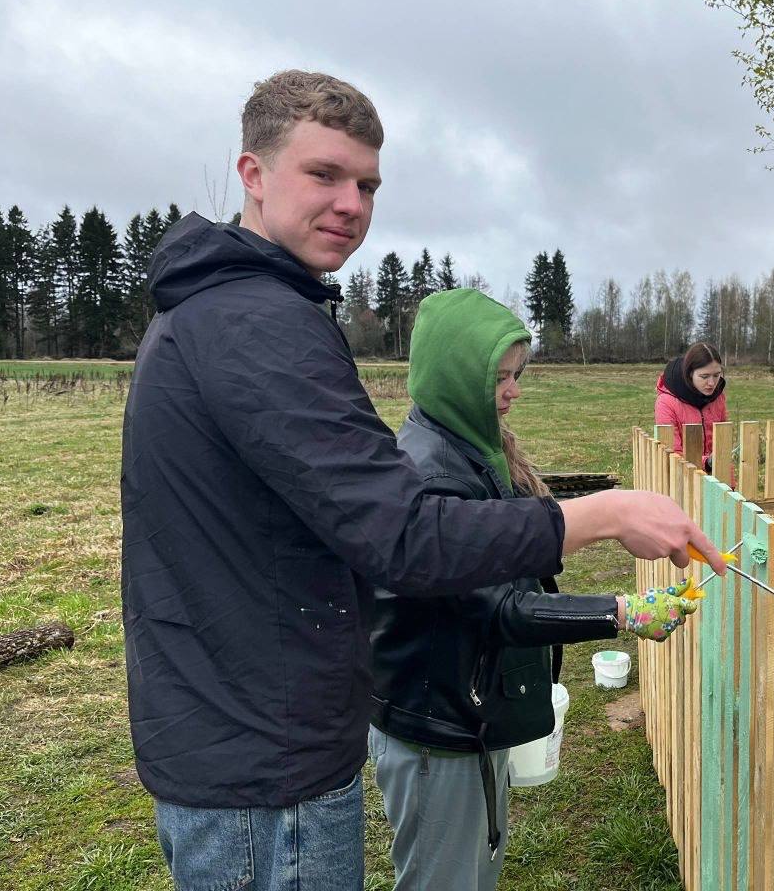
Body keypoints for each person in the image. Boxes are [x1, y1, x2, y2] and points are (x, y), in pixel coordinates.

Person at [120, 70, 725, 891]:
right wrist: (607, 516)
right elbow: (404, 536)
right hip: (266, 766)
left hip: (244, 735)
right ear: (253, 174)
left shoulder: (227, 309)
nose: (351, 204)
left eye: (368, 185)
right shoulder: (255, 323)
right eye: (324, 174)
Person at [368, 288, 697, 891]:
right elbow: (497, 608)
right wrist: (619, 612)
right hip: (437, 727)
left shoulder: (471, 447)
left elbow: (515, 547)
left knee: (476, 870)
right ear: (454, 376)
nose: (514, 390)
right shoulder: (434, 475)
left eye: (516, 374)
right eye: (499, 377)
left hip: (468, 713)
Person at [654, 342, 729, 473]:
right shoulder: (666, 402)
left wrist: (729, 483)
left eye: (716, 375)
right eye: (704, 376)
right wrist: (707, 462)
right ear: (689, 374)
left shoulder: (718, 398)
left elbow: (723, 446)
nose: (712, 383)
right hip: (682, 478)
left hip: (715, 479)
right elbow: (672, 454)